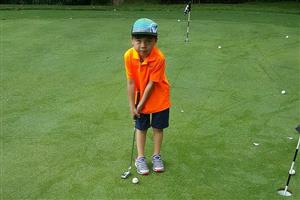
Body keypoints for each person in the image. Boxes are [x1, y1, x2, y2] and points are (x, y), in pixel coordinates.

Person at [123, 18, 171, 175]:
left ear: (155, 41)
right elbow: (130, 82)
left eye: (148, 41)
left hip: (159, 97)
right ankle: (140, 158)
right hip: (139, 96)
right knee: (141, 127)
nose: (143, 45)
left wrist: (141, 105)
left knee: (158, 127)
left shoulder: (159, 58)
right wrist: (132, 107)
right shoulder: (129, 56)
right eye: (138, 40)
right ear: (132, 41)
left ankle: (157, 155)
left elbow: (151, 85)